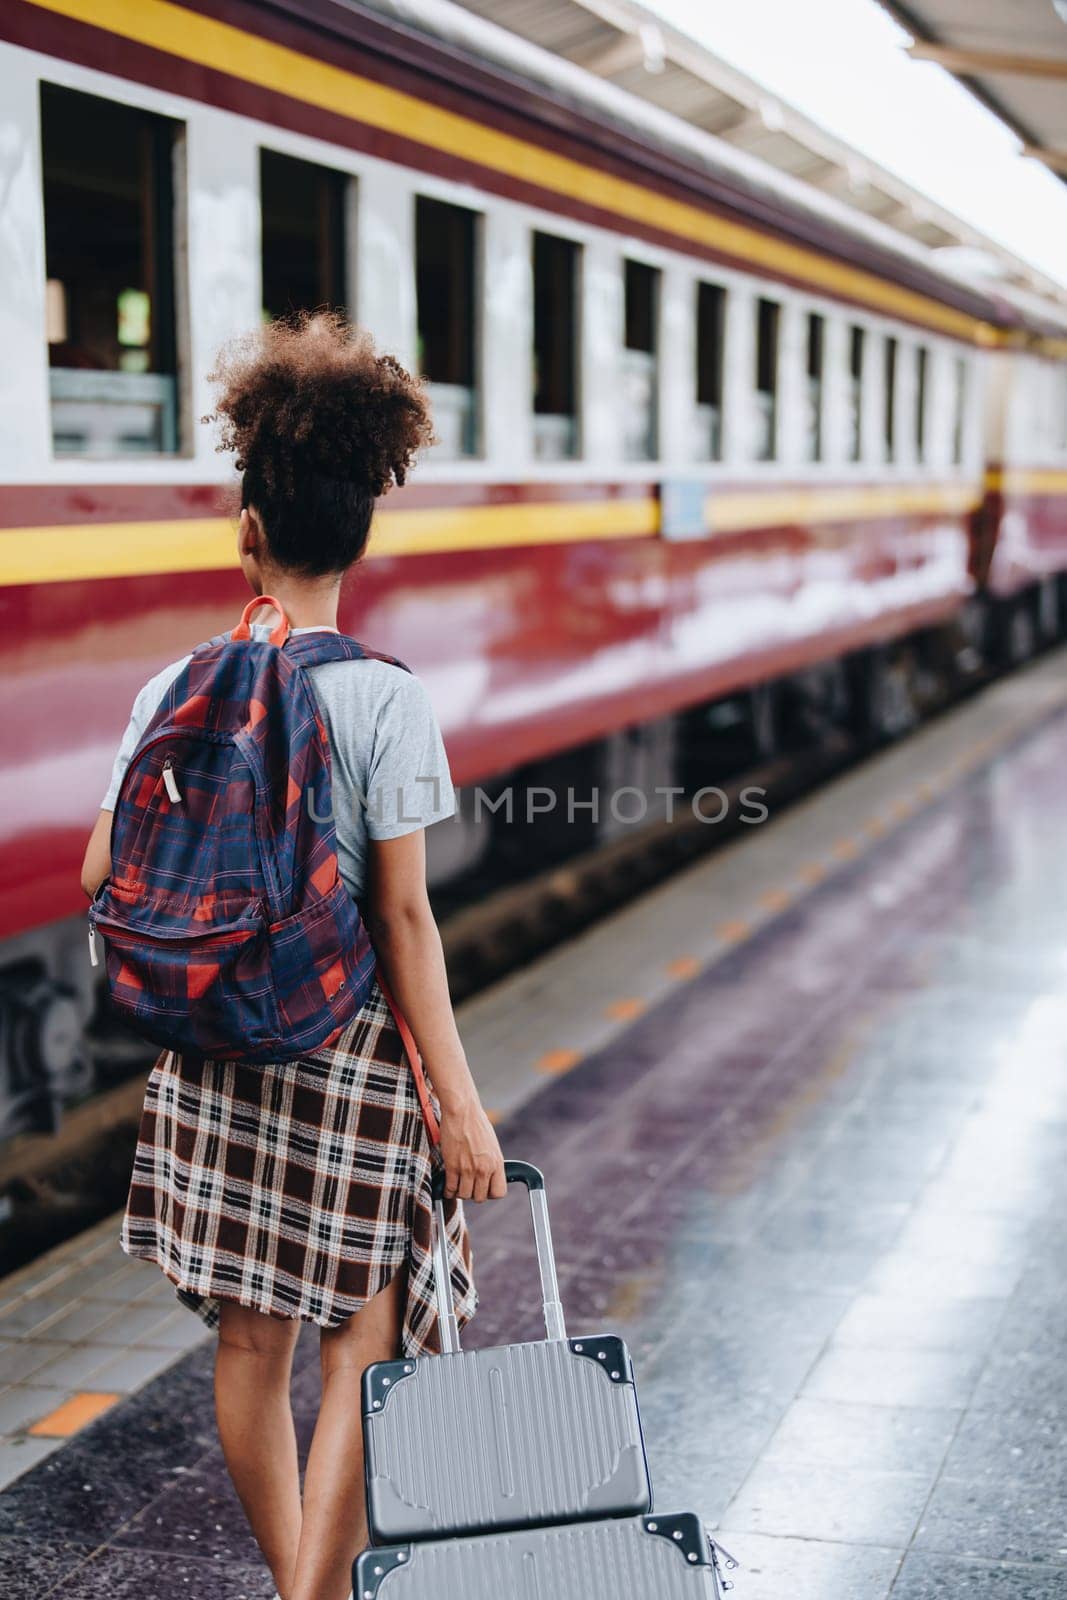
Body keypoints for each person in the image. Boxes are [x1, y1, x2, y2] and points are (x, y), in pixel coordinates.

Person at [79, 313, 507, 1600]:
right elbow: (403, 920)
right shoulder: (385, 694)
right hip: (346, 1055)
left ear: (246, 530)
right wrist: (462, 1106)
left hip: (212, 1048)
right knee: (360, 1346)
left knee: (247, 1347)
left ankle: (291, 1587)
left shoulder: (176, 685)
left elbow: (102, 875)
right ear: (360, 539)